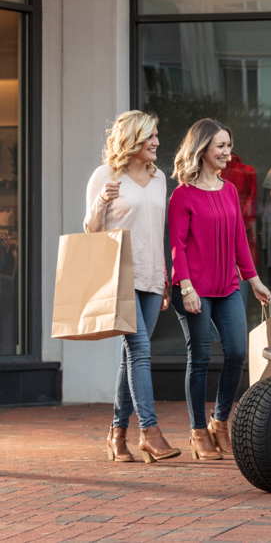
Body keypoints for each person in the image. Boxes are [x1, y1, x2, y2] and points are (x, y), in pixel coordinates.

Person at [169, 118, 271, 461]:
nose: (228, 152)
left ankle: (220, 421)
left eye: (229, 145)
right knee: (199, 358)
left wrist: (253, 279)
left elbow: (239, 238)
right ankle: (198, 430)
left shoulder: (229, 190)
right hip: (193, 289)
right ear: (203, 150)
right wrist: (185, 288)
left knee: (237, 353)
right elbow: (177, 246)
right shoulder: (182, 195)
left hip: (228, 286)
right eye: (221, 147)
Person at [85, 110, 180, 464]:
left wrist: (167, 279)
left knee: (130, 360)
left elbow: (158, 232)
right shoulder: (105, 176)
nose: (156, 142)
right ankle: (150, 432)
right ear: (132, 140)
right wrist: (102, 201)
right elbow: (92, 229)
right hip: (121, 276)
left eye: (156, 135)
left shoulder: (159, 179)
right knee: (139, 349)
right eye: (149, 137)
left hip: (153, 277)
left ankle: (116, 433)